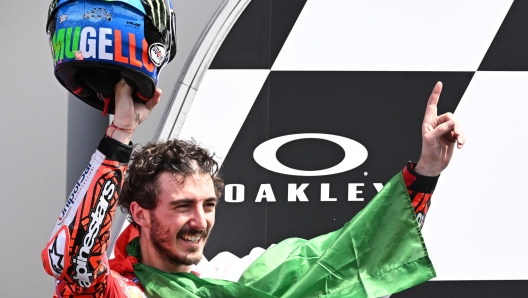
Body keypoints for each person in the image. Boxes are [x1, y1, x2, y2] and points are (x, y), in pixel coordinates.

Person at [42, 79, 464, 297]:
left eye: (208, 204)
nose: (200, 221)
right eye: (183, 206)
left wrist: (426, 172)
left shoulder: (247, 276)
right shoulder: (128, 291)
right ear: (140, 214)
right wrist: (119, 135)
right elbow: (77, 266)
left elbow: (357, 254)